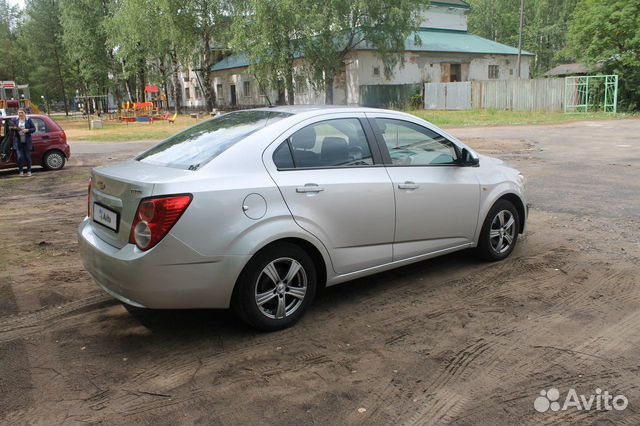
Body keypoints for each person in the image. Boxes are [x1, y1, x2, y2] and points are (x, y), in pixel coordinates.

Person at [12, 109, 36, 176]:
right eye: (19, 113)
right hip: (18, 142)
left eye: (21, 113)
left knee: (28, 157)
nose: (20, 114)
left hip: (27, 141)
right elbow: (10, 127)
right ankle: (21, 171)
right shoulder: (15, 120)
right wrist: (14, 128)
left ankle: (29, 171)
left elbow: (34, 129)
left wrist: (27, 130)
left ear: (25, 113)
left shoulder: (28, 120)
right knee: (20, 157)